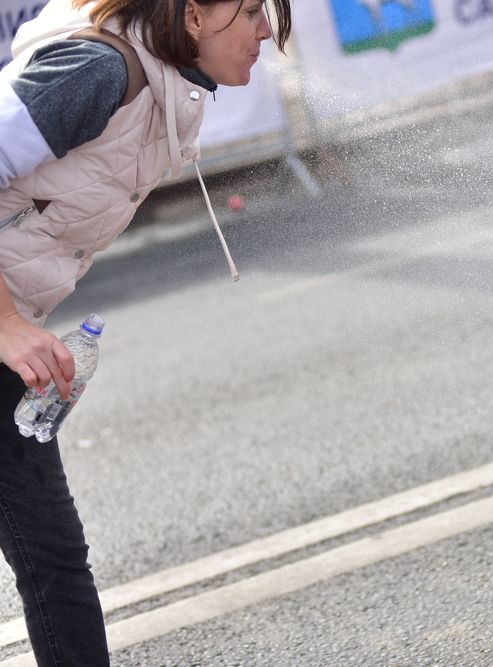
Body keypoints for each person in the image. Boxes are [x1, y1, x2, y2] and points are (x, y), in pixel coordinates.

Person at [0, 0, 291, 664]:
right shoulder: (97, 71)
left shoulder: (162, 88)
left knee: (53, 560)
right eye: (249, 11)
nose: (265, 30)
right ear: (192, 16)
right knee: (54, 562)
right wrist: (8, 323)